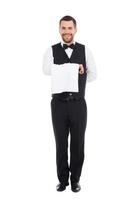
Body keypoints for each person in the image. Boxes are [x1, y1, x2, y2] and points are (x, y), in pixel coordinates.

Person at [42, 15, 97, 192]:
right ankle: (63, 180)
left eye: (69, 28)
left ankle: (75, 180)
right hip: (58, 104)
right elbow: (46, 70)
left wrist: (82, 71)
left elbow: (94, 75)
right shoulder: (51, 51)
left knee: (78, 143)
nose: (66, 31)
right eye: (63, 28)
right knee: (60, 143)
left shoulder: (85, 50)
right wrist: (67, 70)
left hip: (78, 104)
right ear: (59, 29)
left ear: (75, 29)